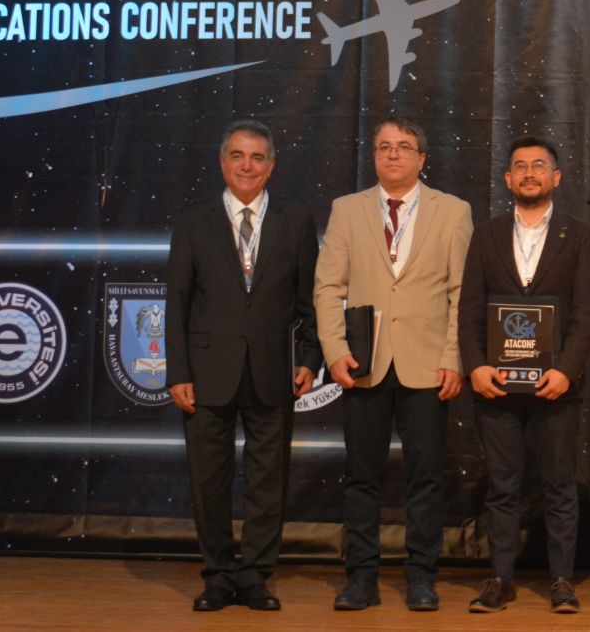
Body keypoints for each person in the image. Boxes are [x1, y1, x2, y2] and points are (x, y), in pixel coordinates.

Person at [314, 116, 474, 612]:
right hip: (364, 363)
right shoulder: (347, 209)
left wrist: (453, 358)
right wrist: (335, 350)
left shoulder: (454, 211)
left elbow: (462, 292)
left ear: (422, 158)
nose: (392, 154)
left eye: (403, 146)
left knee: (425, 477)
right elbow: (328, 287)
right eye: (384, 146)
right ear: (374, 156)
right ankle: (361, 577)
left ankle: (422, 576)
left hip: (428, 365)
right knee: (362, 477)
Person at [165, 119, 321, 612]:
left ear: (271, 166)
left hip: (273, 371)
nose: (246, 165)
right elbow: (176, 302)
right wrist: (178, 371)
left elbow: (310, 300)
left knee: (267, 481)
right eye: (237, 155)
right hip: (207, 373)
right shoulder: (194, 220)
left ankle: (255, 576)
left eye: (257, 157)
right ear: (222, 162)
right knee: (208, 481)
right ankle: (217, 576)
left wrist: (310, 357)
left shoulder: (297, 220)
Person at [456, 137, 590, 613]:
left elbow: (587, 313)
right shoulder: (487, 235)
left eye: (539, 165)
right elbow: (470, 308)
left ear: (556, 177)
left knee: (560, 486)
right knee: (502, 487)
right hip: (496, 386)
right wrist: (475, 365)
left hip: (556, 386)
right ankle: (500, 579)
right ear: (508, 179)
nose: (529, 173)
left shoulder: (580, 236)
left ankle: (561, 581)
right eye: (520, 166)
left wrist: (567, 371)